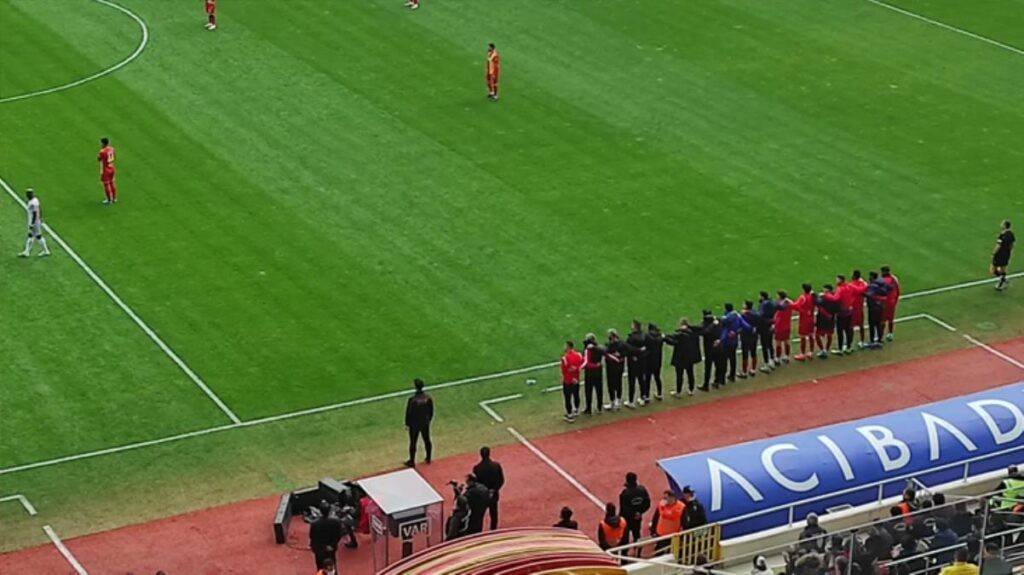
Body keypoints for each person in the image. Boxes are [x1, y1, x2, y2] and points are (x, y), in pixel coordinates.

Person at [664, 318, 701, 396]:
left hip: (680, 357)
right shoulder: (692, 333)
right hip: (689, 357)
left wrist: (665, 338)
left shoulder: (680, 334)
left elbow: (673, 342)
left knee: (679, 375)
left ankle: (678, 391)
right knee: (690, 373)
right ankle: (691, 389)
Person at [472, 446, 505, 531]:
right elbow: (501, 480)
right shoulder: (496, 466)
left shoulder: (477, 468)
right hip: (493, 494)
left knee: (480, 514)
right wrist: (494, 490)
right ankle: (493, 530)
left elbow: (476, 483)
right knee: (494, 513)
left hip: (482, 495)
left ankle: (478, 531)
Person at [404, 378, 433, 467]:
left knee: (413, 442)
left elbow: (409, 413)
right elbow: (431, 411)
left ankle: (412, 461)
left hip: (414, 424)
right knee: (427, 439)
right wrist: (428, 420)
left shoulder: (412, 400)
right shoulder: (428, 398)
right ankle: (428, 457)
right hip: (424, 422)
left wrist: (407, 423)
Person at [719, 303, 751, 382]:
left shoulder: (726, 318)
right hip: (734, 341)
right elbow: (747, 326)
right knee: (733, 358)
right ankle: (732, 376)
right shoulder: (738, 316)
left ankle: (722, 378)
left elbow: (722, 322)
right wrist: (737, 332)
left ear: (726, 309)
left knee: (724, 359)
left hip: (726, 341)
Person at [619, 472, 651, 552]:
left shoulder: (625, 493)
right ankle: (638, 552)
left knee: (625, 536)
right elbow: (647, 503)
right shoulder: (642, 490)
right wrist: (639, 512)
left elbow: (623, 509)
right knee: (637, 534)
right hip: (637, 518)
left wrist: (632, 514)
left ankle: (624, 553)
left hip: (627, 519)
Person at [309, 501, 343, 571]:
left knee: (320, 567)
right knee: (331, 565)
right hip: (330, 549)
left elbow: (312, 536)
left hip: (319, 549)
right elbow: (338, 535)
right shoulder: (336, 521)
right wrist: (331, 545)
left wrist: (317, 547)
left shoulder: (315, 523)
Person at [18, 189, 50, 258]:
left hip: (34, 222)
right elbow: (39, 209)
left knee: (36, 236)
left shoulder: (32, 203)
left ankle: (44, 251)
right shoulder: (35, 200)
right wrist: (41, 217)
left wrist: (32, 224)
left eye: (27, 194)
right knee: (33, 236)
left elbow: (35, 214)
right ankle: (28, 251)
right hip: (36, 221)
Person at [581, 333, 605, 415]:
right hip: (598, 372)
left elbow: (585, 362)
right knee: (599, 390)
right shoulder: (599, 348)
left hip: (589, 373)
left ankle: (588, 408)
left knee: (588, 391)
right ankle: (599, 407)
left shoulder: (587, 349)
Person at [626, 320, 648, 407]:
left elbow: (628, 349)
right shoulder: (644, 336)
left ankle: (631, 401)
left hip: (633, 362)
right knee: (641, 379)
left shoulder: (631, 338)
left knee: (632, 381)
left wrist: (635, 353)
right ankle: (643, 397)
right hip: (642, 361)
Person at [814, 285, 840, 359]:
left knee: (818, 335)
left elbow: (817, 302)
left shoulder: (823, 297)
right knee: (829, 335)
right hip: (830, 319)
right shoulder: (835, 298)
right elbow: (837, 309)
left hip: (822, 319)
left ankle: (823, 350)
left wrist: (814, 295)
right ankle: (826, 350)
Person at [560, 341, 583, 422]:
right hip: (576, 380)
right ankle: (576, 410)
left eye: (565, 346)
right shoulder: (579, 355)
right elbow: (581, 365)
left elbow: (564, 371)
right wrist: (576, 372)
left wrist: (570, 378)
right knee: (576, 395)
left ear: (568, 347)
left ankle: (569, 415)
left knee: (567, 397)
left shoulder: (565, 358)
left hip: (568, 381)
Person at [792, 284, 816, 361]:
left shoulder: (803, 297)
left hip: (804, 320)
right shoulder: (813, 296)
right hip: (811, 318)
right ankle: (811, 352)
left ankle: (802, 354)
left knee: (802, 337)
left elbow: (795, 306)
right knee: (811, 335)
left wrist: (789, 302)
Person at [865, 271, 889, 348]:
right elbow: (889, 288)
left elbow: (870, 295)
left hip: (873, 308)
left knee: (872, 325)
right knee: (879, 324)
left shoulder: (873, 286)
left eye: (870, 276)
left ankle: (872, 341)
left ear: (872, 277)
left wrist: (862, 293)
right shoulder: (882, 283)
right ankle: (879, 340)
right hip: (880, 306)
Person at [604, 329, 626, 410]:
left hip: (613, 367)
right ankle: (615, 401)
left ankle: (615, 401)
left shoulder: (610, 345)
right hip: (617, 367)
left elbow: (606, 354)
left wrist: (618, 355)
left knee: (614, 384)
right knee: (616, 384)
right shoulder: (621, 343)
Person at [834, 275, 855, 355]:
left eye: (837, 279)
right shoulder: (850, 286)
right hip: (849, 311)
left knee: (840, 331)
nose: (836, 281)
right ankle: (849, 347)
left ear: (841, 280)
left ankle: (840, 349)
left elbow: (835, 299)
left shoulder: (840, 289)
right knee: (849, 329)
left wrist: (826, 295)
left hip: (841, 313)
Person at [739, 301, 760, 379]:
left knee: (745, 355)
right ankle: (753, 370)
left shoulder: (744, 315)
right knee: (753, 353)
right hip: (754, 336)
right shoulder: (755, 313)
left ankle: (744, 372)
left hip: (745, 337)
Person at [757, 292, 777, 372]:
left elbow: (760, 315)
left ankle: (766, 364)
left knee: (764, 346)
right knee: (770, 344)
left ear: (762, 297)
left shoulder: (763, 305)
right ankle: (772, 360)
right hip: (770, 326)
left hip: (764, 328)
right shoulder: (772, 303)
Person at [992, 220, 1015, 291]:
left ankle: (1001, 282)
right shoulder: (1011, 234)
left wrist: (993, 253)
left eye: (1002, 223)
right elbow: (1012, 245)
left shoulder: (1002, 235)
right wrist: (1009, 252)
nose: (1001, 224)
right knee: (1002, 269)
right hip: (1007, 254)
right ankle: (1003, 280)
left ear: (1005, 226)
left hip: (999, 254)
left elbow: (998, 246)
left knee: (993, 270)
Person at [848, 271, 869, 348]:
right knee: (860, 325)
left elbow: (859, 290)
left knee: (851, 326)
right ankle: (862, 341)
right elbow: (864, 289)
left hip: (853, 308)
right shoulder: (863, 283)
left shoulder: (851, 285)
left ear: (854, 276)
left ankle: (850, 344)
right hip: (859, 308)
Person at [645, 323, 665, 400]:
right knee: (657, 377)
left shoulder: (648, 337)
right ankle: (659, 393)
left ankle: (647, 396)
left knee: (647, 379)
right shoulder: (660, 338)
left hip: (649, 361)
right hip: (658, 361)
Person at [881, 266, 901, 341]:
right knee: (890, 318)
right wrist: (895, 300)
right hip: (892, 302)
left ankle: (881, 335)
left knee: (882, 319)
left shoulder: (883, 280)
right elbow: (898, 290)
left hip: (885, 302)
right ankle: (890, 334)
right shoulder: (894, 279)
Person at [774, 291, 794, 363]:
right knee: (787, 341)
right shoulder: (789, 303)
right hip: (787, 325)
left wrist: (774, 326)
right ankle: (787, 356)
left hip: (780, 327)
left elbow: (778, 318)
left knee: (778, 343)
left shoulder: (780, 306)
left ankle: (778, 358)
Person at [98, 137, 117, 204]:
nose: (100, 144)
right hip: (112, 168)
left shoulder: (102, 151)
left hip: (105, 170)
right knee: (112, 183)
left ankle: (109, 200)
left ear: (103, 143)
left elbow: (99, 159)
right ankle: (114, 198)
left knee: (106, 184)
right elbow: (114, 156)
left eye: (100, 142)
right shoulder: (112, 149)